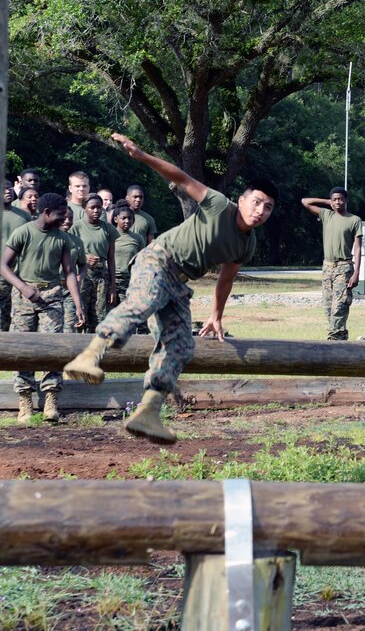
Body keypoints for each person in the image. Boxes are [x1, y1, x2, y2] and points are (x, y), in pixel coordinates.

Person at [63, 132, 277, 444]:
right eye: (256, 202)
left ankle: (148, 411)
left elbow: (226, 278)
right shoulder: (219, 205)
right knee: (144, 300)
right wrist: (141, 156)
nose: (260, 211)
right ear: (242, 200)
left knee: (180, 344)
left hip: (178, 281)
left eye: (268, 207)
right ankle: (89, 356)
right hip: (156, 259)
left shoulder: (247, 244)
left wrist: (216, 315)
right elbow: (180, 176)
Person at [1, 193, 84, 423]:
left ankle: (50, 398)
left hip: (52, 296)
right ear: (46, 212)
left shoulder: (63, 238)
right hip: (24, 296)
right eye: (60, 215)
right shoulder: (24, 232)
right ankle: (25, 400)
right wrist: (22, 287)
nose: (64, 219)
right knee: (23, 347)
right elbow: (3, 265)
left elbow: (69, 273)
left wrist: (77, 303)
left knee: (52, 347)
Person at [302, 187, 363, 341]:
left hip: (344, 266)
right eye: (334, 199)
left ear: (346, 200)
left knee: (340, 306)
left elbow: (357, 247)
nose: (337, 202)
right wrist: (326, 201)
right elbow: (305, 202)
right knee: (329, 308)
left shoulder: (354, 220)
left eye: (340, 199)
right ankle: (341, 339)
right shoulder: (327, 215)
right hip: (327, 267)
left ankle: (333, 341)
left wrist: (356, 272)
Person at [71, 194, 118, 333]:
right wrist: (84, 257)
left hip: (102, 276)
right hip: (83, 274)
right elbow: (69, 253)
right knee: (80, 314)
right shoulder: (76, 227)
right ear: (85, 208)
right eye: (92, 207)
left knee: (99, 316)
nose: (96, 210)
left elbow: (111, 258)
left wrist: (113, 287)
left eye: (99, 207)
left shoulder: (108, 229)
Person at [1, 180, 32, 331]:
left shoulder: (23, 216)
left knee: (17, 318)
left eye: (8, 188)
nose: (7, 191)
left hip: (19, 275)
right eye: (3, 189)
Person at [111, 204, 147, 308]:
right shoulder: (109, 235)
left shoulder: (138, 238)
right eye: (123, 218)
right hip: (110, 279)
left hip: (129, 280)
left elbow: (141, 261)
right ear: (116, 219)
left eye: (130, 218)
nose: (127, 221)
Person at [59, 208, 87, 333]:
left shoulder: (77, 241)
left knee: (70, 326)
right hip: (52, 288)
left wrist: (80, 276)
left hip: (70, 289)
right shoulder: (50, 237)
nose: (67, 221)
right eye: (64, 218)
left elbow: (83, 264)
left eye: (70, 218)